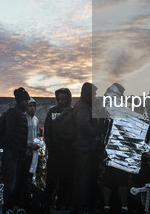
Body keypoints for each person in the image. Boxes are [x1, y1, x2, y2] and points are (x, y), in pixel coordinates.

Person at [43, 88, 73, 210]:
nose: (61, 101)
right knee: (50, 178)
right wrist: (50, 145)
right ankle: (46, 203)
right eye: (59, 99)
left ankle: (61, 202)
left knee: (65, 178)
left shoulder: (72, 112)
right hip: (54, 150)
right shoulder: (52, 111)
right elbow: (47, 129)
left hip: (67, 151)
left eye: (64, 99)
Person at [2, 87, 31, 214]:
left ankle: (14, 206)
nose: (27, 103)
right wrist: (15, 151)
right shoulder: (14, 113)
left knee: (16, 181)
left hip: (18, 153)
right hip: (12, 153)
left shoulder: (20, 113)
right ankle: (7, 208)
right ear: (20, 101)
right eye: (26, 100)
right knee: (10, 182)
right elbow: (10, 134)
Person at [71, 82, 99, 214]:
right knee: (83, 178)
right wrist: (96, 133)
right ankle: (82, 207)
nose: (95, 96)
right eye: (94, 93)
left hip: (84, 147)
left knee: (83, 178)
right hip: (83, 147)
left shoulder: (83, 105)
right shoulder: (83, 106)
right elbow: (83, 124)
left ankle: (81, 205)